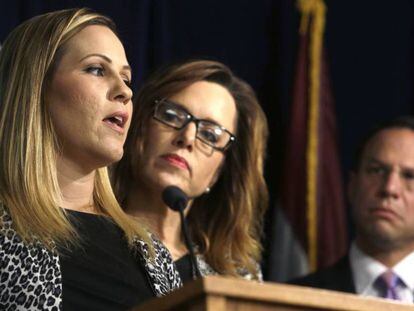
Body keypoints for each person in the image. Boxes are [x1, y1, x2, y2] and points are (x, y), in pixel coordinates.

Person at [0, 8, 181, 310]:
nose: (124, 91)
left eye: (127, 78)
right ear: (35, 87)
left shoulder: (150, 251)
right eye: (97, 70)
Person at [112, 60, 269, 282]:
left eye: (210, 135)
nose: (187, 138)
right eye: (172, 116)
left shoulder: (237, 277)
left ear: (219, 172)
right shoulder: (88, 235)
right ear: (140, 127)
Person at [291, 116, 414, 303]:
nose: (389, 188)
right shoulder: (291, 299)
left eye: (410, 176)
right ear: (352, 186)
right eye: (376, 170)